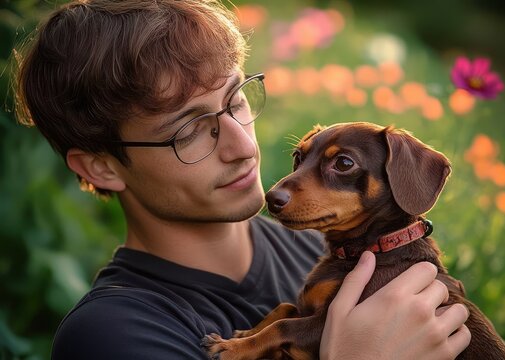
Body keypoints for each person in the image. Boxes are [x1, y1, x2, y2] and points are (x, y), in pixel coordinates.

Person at [15, 0, 471, 359]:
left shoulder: (332, 247)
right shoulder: (111, 336)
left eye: (235, 100)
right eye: (188, 129)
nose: (242, 147)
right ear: (101, 167)